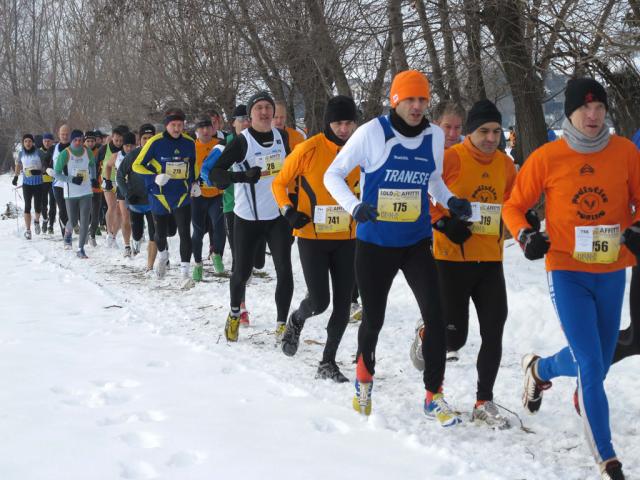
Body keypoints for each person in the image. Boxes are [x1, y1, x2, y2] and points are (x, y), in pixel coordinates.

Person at [503, 78, 640, 480]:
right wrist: (526, 235)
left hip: (613, 271)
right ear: (570, 113)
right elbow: (514, 206)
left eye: (600, 108)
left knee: (595, 363)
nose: (594, 116)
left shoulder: (625, 153)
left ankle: (540, 370)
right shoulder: (548, 157)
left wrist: (635, 228)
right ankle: (608, 460)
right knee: (591, 363)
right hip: (566, 270)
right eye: (586, 109)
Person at [324, 69, 471, 425]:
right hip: (375, 244)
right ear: (395, 100)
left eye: (423, 99)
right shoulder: (373, 133)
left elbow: (432, 179)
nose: (418, 106)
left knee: (436, 318)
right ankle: (364, 378)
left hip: (416, 241)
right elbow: (333, 174)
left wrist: (451, 201)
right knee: (374, 318)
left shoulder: (435, 135)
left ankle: (433, 395)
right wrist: (355, 207)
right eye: (411, 100)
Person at [428, 100, 516, 429]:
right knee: (454, 338)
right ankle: (430, 354)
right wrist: (444, 224)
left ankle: (483, 401)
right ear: (470, 131)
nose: (492, 138)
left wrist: (526, 218)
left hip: (490, 261)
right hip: (451, 260)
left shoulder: (506, 165)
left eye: (497, 131)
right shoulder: (450, 158)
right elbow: (424, 198)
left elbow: (514, 201)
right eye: (484, 131)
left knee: (494, 328)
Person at [272, 95, 359, 382]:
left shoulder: (360, 151)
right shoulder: (309, 149)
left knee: (344, 304)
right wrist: (288, 211)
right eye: (338, 123)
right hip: (312, 236)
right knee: (320, 301)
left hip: (348, 237)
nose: (344, 129)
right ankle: (297, 320)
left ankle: (328, 361)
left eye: (348, 123)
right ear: (327, 123)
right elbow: (279, 182)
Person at [209, 91, 293, 342]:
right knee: (242, 272)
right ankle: (235, 313)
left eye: (269, 107)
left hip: (277, 217)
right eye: (260, 108)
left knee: (285, 271)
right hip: (247, 218)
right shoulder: (241, 141)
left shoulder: (282, 136)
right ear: (251, 114)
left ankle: (281, 326)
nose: (265, 112)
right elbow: (216, 174)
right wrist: (242, 177)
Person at [409, 101, 466, 362]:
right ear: (435, 125)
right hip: (431, 229)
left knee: (453, 291)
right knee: (437, 288)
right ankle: (427, 333)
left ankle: (445, 334)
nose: (452, 134)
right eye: (447, 127)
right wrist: (440, 221)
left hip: (459, 232)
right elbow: (420, 192)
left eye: (457, 128)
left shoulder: (466, 152)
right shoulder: (427, 149)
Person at [200, 104, 260, 326]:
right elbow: (206, 173)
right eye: (240, 119)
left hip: (261, 209)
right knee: (239, 258)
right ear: (233, 123)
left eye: (247, 119)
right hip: (233, 207)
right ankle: (240, 307)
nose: (245, 122)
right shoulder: (224, 145)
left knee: (256, 260)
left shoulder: (260, 141)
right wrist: (224, 181)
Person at [133, 108, 196, 281]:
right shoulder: (155, 142)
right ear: (166, 125)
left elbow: (193, 166)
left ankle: (185, 273)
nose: (177, 129)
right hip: (159, 196)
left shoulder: (190, 143)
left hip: (181, 195)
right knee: (160, 234)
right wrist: (154, 177)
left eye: (180, 125)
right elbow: (137, 165)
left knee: (184, 233)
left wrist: (195, 183)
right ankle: (163, 255)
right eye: (173, 125)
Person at [47, 129, 97, 258]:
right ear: (71, 140)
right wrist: (71, 179)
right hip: (71, 192)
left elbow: (92, 165)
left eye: (81, 140)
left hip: (86, 191)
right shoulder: (65, 153)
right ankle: (68, 233)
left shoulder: (87, 151)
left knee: (85, 220)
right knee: (74, 220)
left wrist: (93, 178)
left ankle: (80, 249)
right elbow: (57, 174)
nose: (78, 142)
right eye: (75, 140)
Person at [117, 123, 158, 272]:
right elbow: (120, 176)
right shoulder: (133, 155)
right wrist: (127, 193)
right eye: (144, 138)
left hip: (154, 200)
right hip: (136, 201)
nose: (147, 141)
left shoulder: (159, 154)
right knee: (138, 232)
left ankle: (152, 264)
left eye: (150, 137)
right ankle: (135, 242)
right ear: (139, 140)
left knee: (156, 233)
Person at [192, 117, 226, 280]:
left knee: (219, 227)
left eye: (208, 127)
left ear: (213, 129)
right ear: (196, 130)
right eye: (201, 128)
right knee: (198, 231)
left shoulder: (219, 144)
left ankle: (216, 254)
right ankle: (197, 263)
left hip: (216, 194)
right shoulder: (192, 146)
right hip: (197, 195)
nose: (205, 131)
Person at [105, 131, 136, 256]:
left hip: (137, 189)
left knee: (136, 217)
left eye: (131, 146)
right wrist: (107, 180)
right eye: (126, 145)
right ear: (123, 145)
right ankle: (127, 245)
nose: (129, 148)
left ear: (135, 145)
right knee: (125, 216)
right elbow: (107, 166)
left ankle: (137, 238)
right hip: (122, 190)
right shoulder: (116, 156)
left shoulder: (139, 154)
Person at [13, 134, 45, 239]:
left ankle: (36, 221)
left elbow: (46, 165)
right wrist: (16, 177)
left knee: (37, 206)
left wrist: (39, 171)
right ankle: (28, 230)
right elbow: (18, 165)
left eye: (30, 141)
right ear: (23, 143)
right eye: (26, 141)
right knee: (27, 206)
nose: (28, 143)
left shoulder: (39, 152)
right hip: (27, 184)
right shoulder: (21, 153)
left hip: (39, 183)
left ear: (33, 142)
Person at [99, 126, 126, 247]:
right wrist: (96, 179)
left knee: (120, 211)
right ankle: (109, 233)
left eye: (121, 141)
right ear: (112, 138)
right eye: (117, 140)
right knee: (112, 207)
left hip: (121, 181)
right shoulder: (105, 149)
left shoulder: (126, 149)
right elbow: (95, 163)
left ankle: (114, 236)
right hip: (108, 179)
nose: (119, 143)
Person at [43, 124, 71, 237]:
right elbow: (44, 163)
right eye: (62, 134)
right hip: (58, 184)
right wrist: (47, 169)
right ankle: (65, 234)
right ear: (59, 135)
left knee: (71, 210)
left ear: (70, 135)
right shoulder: (53, 149)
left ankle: (70, 229)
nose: (64, 136)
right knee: (62, 209)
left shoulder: (75, 148)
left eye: (66, 134)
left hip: (71, 183)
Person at [40, 132, 56, 234]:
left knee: (53, 204)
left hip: (54, 181)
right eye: (45, 141)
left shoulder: (56, 150)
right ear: (42, 141)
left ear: (52, 142)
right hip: (43, 181)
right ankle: (45, 219)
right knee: (43, 203)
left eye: (49, 141)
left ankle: (51, 225)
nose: (47, 143)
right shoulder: (39, 152)